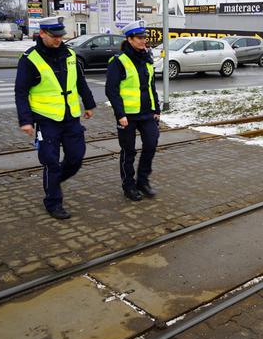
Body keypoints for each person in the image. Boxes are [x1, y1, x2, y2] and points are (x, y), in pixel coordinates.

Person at [14, 16, 96, 220]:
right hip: (46, 119)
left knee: (76, 157)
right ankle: (53, 202)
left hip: (70, 117)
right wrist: (25, 120)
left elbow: (80, 81)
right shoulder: (30, 58)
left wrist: (90, 104)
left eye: (61, 36)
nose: (59, 40)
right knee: (50, 161)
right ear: (42, 34)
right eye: (54, 36)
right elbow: (21, 91)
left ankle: (54, 181)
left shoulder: (70, 54)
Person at [105, 20, 160, 201]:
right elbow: (111, 90)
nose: (144, 40)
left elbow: (151, 86)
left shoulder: (146, 58)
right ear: (129, 39)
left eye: (144, 37)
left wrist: (156, 108)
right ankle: (128, 185)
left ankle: (142, 181)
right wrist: (120, 114)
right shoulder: (118, 61)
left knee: (151, 145)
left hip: (146, 113)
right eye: (139, 38)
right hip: (127, 116)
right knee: (128, 152)